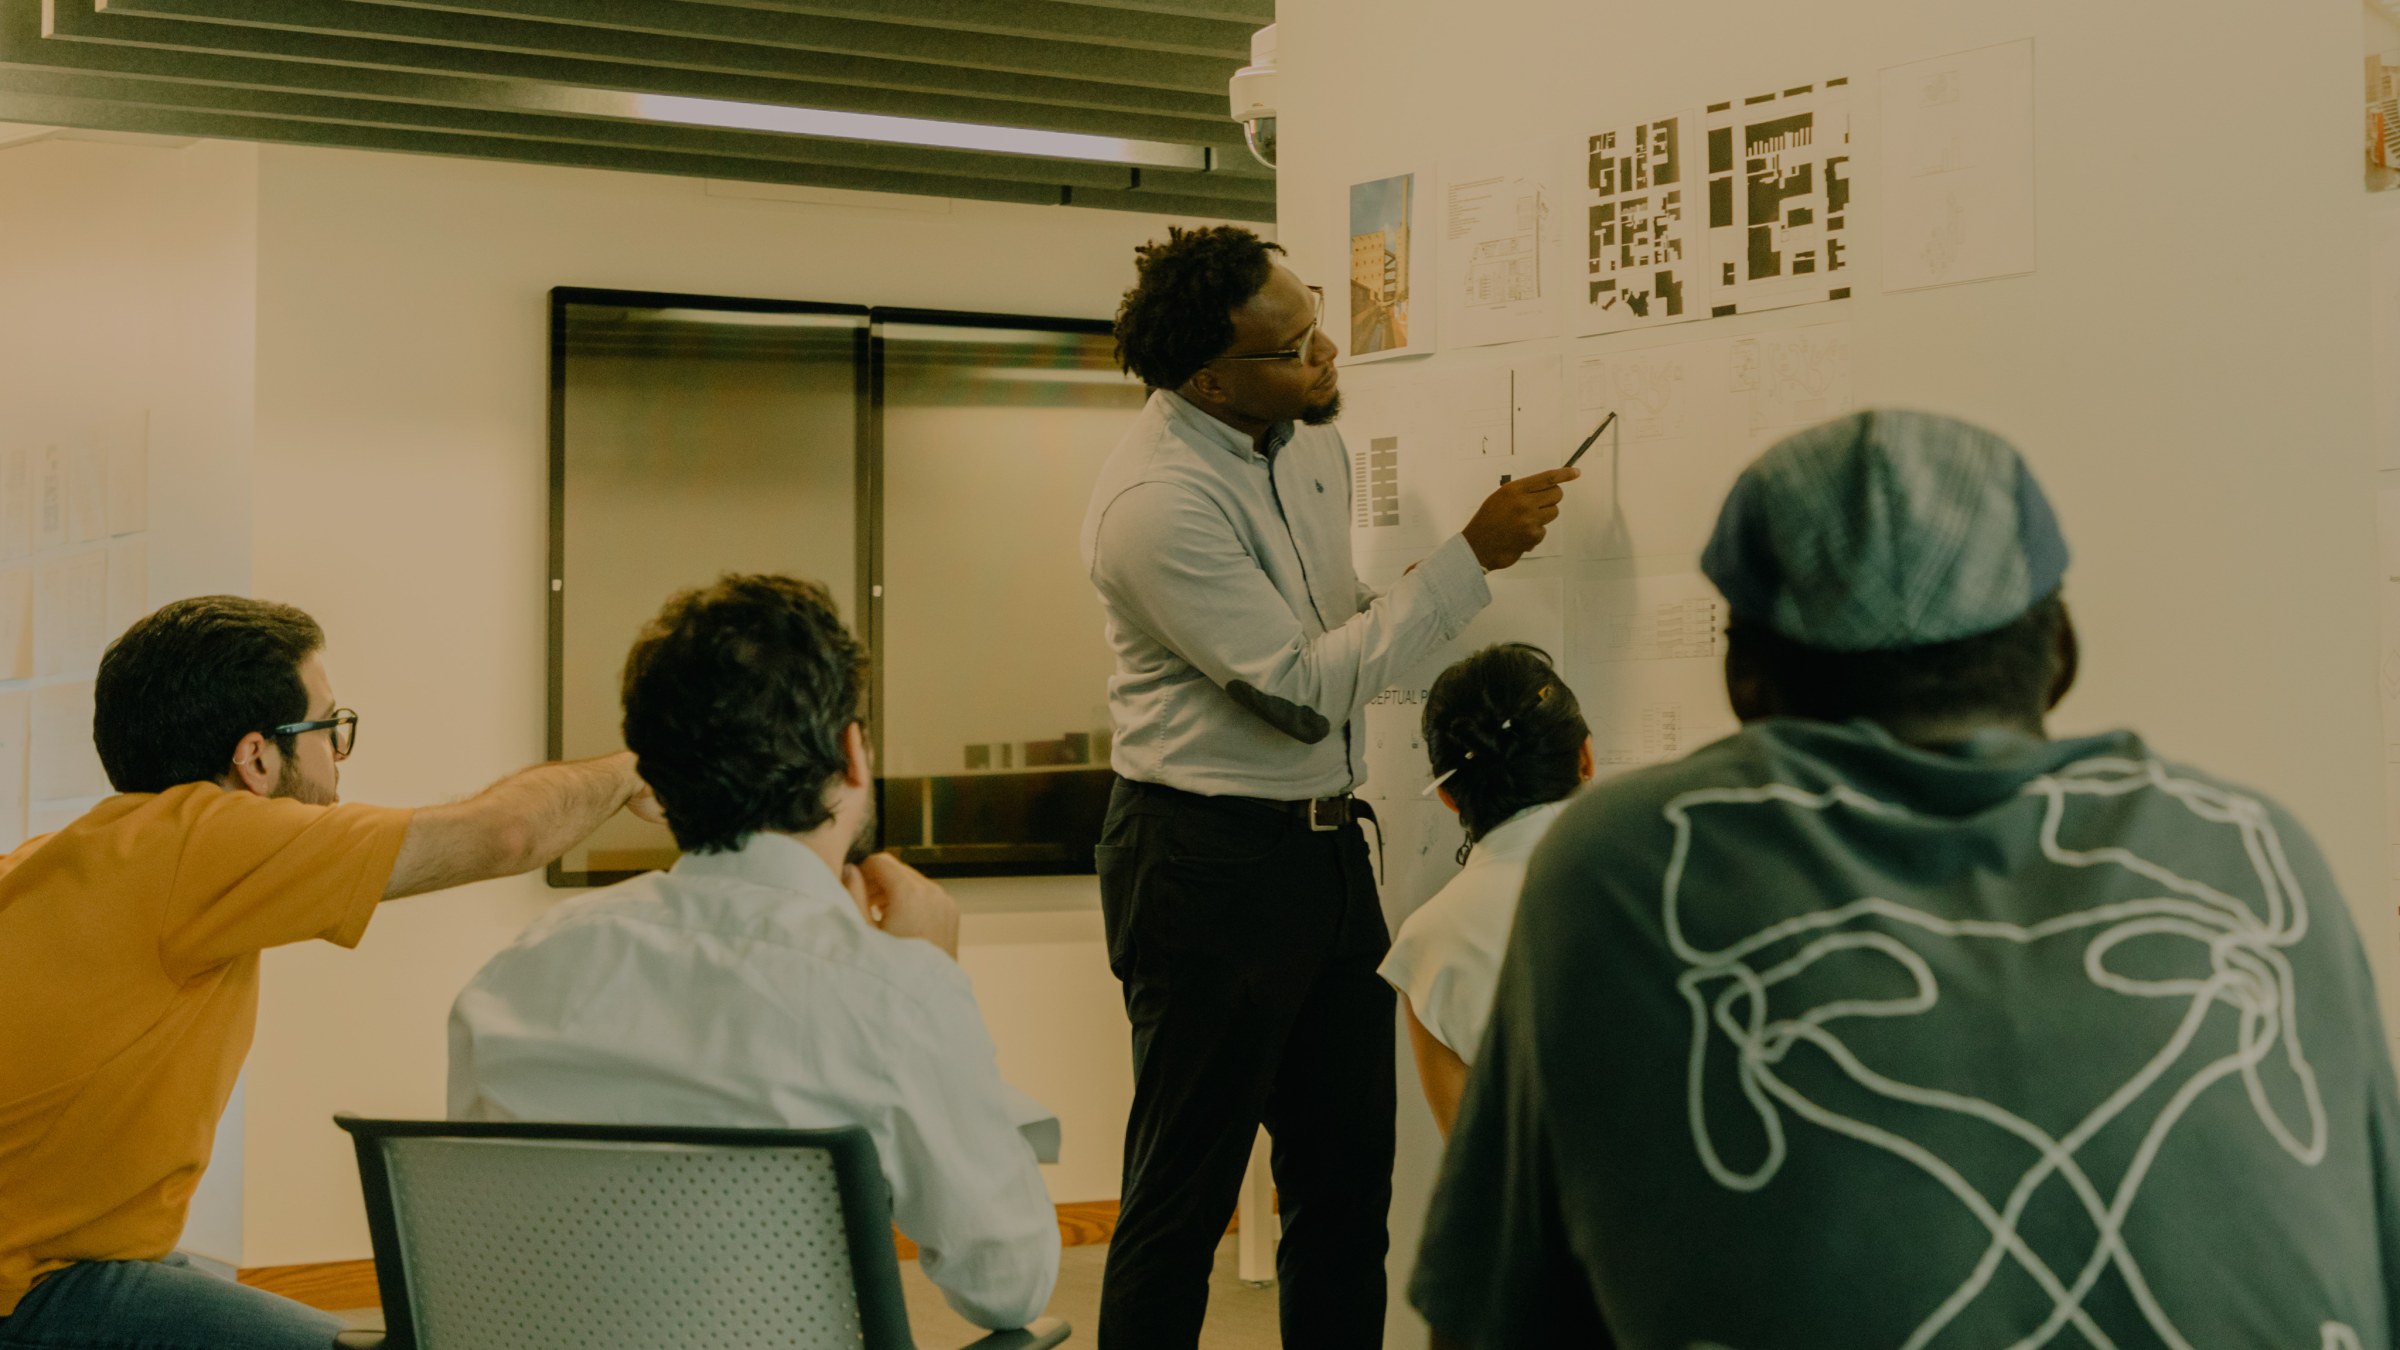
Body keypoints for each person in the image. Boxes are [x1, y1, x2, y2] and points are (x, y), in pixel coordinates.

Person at [1410, 409, 2400, 1348]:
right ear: (2060, 653)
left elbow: (1487, 1322)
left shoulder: (1621, 865)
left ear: (1742, 679)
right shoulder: (2257, 855)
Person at [1079, 223, 1576, 1350]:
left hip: (1324, 856)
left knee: (1347, 1187)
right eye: (1296, 346)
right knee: (1183, 1198)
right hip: (1199, 863)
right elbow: (1302, 690)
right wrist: (1466, 562)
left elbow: (1337, 614)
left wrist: (1419, 592)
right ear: (1209, 378)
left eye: (1317, 326)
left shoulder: (1307, 445)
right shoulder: (1155, 506)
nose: (1327, 358)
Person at [0, 596, 660, 1350]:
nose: (338, 757)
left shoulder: (73, 856)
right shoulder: (205, 840)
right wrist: (636, 766)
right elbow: (503, 833)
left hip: (66, 1262)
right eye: (329, 729)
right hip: (34, 1291)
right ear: (256, 758)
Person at [448, 573, 1059, 1333]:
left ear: (655, 779)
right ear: (852, 754)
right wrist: (932, 980)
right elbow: (1009, 1283)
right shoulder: (893, 990)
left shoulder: (515, 977)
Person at [1377, 643, 1592, 1135]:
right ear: (1585, 756)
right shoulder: (1672, 861)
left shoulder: (1426, 944)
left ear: (1450, 797)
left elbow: (1473, 1164)